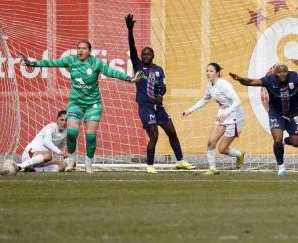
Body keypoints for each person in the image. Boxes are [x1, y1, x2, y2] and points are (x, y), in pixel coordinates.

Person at [22, 40, 143, 173]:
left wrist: (130, 79)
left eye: (84, 48)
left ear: (89, 51)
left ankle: (88, 164)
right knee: (72, 133)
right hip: (75, 103)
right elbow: (52, 63)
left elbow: (111, 72)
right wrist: (33, 63)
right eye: (78, 48)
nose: (80, 51)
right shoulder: (71, 60)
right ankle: (72, 160)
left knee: (90, 136)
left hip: (93, 104)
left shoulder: (96, 63)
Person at [125, 14, 195, 173]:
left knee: (172, 132)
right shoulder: (138, 67)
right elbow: (132, 47)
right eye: (144, 54)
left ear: (153, 56)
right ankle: (149, 165)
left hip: (159, 107)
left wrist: (161, 94)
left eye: (148, 54)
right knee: (154, 135)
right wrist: (130, 30)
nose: (145, 56)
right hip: (145, 107)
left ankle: (180, 161)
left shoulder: (158, 70)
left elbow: (163, 87)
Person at [183, 63, 245, 175]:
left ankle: (240, 155)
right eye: (207, 71)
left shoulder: (224, 84)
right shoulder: (210, 84)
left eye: (211, 71)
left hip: (234, 116)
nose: (208, 73)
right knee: (211, 142)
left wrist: (226, 112)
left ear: (217, 73)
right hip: (222, 115)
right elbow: (205, 99)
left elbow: (237, 101)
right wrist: (189, 111)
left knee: (222, 149)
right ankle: (212, 169)